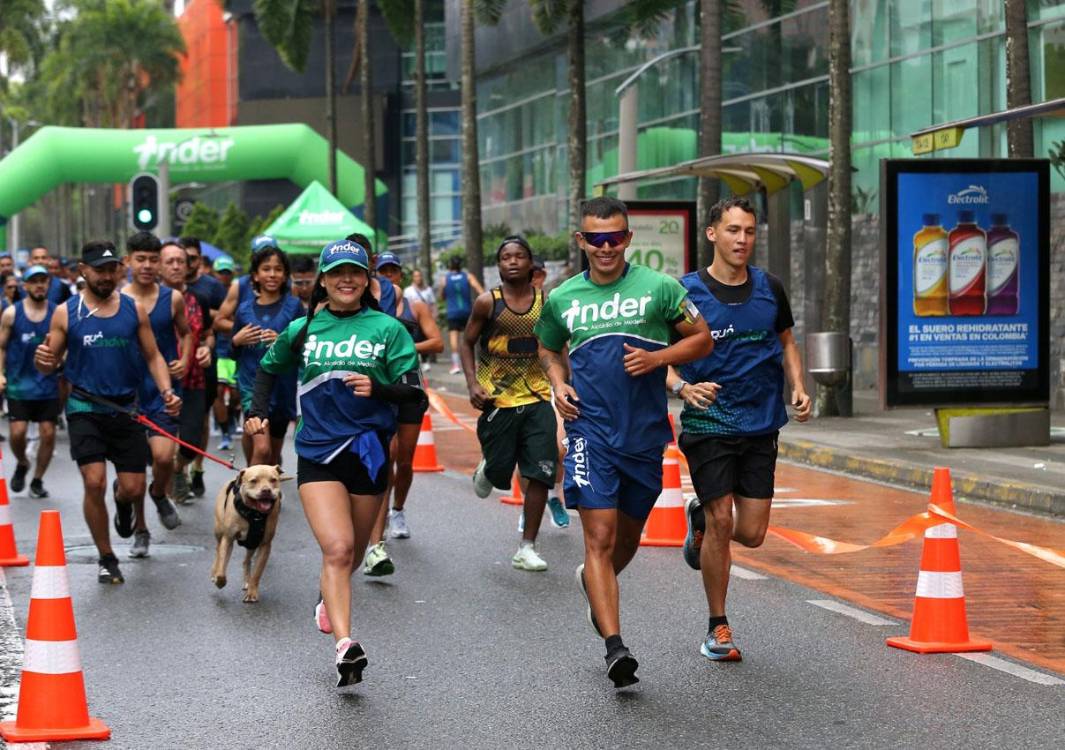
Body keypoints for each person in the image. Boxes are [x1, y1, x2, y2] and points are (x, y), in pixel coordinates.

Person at [534, 196, 712, 688]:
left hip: (644, 435)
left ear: (628, 238)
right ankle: (616, 647)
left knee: (626, 541)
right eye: (596, 238)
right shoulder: (563, 298)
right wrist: (558, 383)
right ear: (582, 241)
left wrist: (658, 360)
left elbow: (701, 338)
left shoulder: (661, 288)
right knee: (600, 537)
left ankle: (593, 580)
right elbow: (547, 348)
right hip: (590, 430)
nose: (606, 247)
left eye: (615, 237)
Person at [245, 239, 421, 687]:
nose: (346, 279)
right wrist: (256, 410)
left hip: (368, 452)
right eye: (337, 272)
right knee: (338, 550)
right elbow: (268, 368)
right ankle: (345, 646)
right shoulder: (303, 329)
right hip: (318, 452)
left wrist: (379, 388)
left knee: (354, 554)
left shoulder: (389, 329)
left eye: (355, 272)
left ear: (366, 279)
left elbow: (415, 394)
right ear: (322, 280)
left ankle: (328, 596)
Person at [668, 197, 811, 662]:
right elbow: (658, 356)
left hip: (761, 421)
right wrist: (682, 387)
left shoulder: (770, 287)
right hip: (708, 421)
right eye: (733, 230)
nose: (742, 239)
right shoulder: (685, 293)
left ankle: (698, 519)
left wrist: (799, 385)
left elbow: (786, 341)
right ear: (712, 233)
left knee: (751, 533)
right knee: (723, 520)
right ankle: (718, 625)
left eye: (749, 231)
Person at [34, 240, 181, 584]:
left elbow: (153, 356)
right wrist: (42, 362)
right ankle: (107, 557)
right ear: (83, 271)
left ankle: (122, 500)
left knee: (133, 488)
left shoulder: (133, 310)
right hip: (84, 407)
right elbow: (49, 363)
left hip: (126, 409)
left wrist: (167, 391)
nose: (106, 276)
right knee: (93, 481)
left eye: (111, 269)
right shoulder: (66, 312)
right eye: (99, 270)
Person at [462, 236, 565, 571]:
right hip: (497, 401)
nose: (513, 261)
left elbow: (558, 345)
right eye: (506, 257)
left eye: (519, 256)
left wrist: (566, 384)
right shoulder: (486, 303)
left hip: (538, 398)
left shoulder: (546, 302)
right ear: (499, 265)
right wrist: (472, 383)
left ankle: (527, 546)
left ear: (530, 263)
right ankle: (489, 466)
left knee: (541, 472)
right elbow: (467, 342)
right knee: (499, 469)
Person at [362, 255, 443, 576]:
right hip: (382, 389)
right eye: (382, 271)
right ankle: (377, 535)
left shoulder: (415, 307)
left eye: (393, 271)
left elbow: (437, 342)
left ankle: (398, 509)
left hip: (409, 387)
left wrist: (405, 346)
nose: (388, 276)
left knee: (406, 460)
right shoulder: (368, 308)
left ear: (400, 276)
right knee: (388, 455)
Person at [120, 232, 189, 557]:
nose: (147, 266)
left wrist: (185, 360)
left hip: (163, 390)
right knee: (134, 465)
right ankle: (141, 530)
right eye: (140, 259)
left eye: (152, 259)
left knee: (163, 458)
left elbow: (187, 333)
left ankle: (159, 493)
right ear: (128, 261)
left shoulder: (172, 298)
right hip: (126, 394)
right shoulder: (117, 299)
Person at [231, 246, 301, 466]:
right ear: (255, 275)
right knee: (262, 448)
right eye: (266, 269)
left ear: (285, 275)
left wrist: (283, 341)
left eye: (278, 269)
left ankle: (256, 481)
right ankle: (249, 484)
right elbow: (233, 353)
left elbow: (305, 349)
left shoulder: (294, 307)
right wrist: (236, 340)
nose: (272, 274)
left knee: (272, 457)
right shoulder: (243, 310)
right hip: (251, 386)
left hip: (283, 387)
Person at [159, 241, 214, 507]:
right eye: (169, 262)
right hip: (157, 384)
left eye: (180, 261)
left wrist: (206, 349)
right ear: (159, 266)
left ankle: (178, 468)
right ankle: (163, 489)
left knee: (191, 441)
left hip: (193, 380)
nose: (176, 266)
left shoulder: (198, 299)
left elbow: (208, 334)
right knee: (160, 447)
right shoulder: (149, 299)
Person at [0, 265, 59, 498]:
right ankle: (23, 462)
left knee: (48, 433)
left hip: (48, 385)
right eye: (34, 281)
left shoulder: (57, 313)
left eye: (43, 281)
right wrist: (0, 374)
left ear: (48, 284)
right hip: (18, 385)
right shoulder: (11, 314)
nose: (39, 285)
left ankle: (37, 480)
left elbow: (65, 345)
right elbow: (1, 346)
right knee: (17, 433)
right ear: (25, 286)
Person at [181, 237, 229, 499]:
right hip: (174, 366)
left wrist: (204, 313)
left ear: (199, 260)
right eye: (181, 258)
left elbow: (224, 318)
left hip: (204, 362)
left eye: (191, 258)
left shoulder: (211, 287)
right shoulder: (166, 288)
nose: (186, 263)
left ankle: (196, 467)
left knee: (200, 417)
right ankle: (178, 471)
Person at [440, 255, 484, 374]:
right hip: (467, 311)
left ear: (450, 265)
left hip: (452, 313)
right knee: (471, 338)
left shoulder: (445, 279)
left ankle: (456, 365)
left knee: (454, 339)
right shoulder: (468, 276)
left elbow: (442, 296)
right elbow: (480, 291)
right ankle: (475, 363)